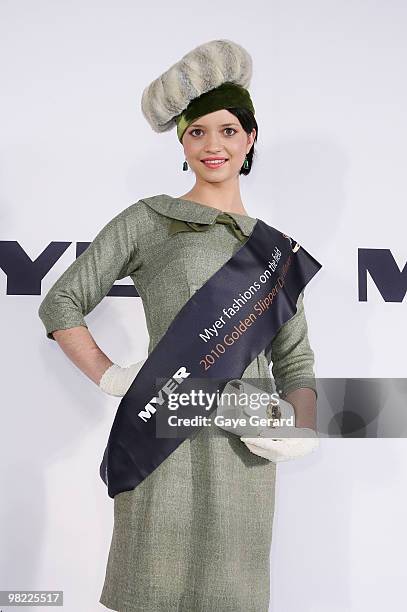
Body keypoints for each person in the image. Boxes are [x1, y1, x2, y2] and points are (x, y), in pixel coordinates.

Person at [38, 39, 319, 612]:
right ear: (181, 141)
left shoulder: (275, 253)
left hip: (247, 444)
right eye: (197, 132)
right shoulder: (149, 219)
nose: (213, 146)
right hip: (162, 428)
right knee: (150, 588)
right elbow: (61, 302)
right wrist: (111, 375)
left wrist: (300, 427)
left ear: (250, 139)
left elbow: (296, 361)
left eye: (228, 130)